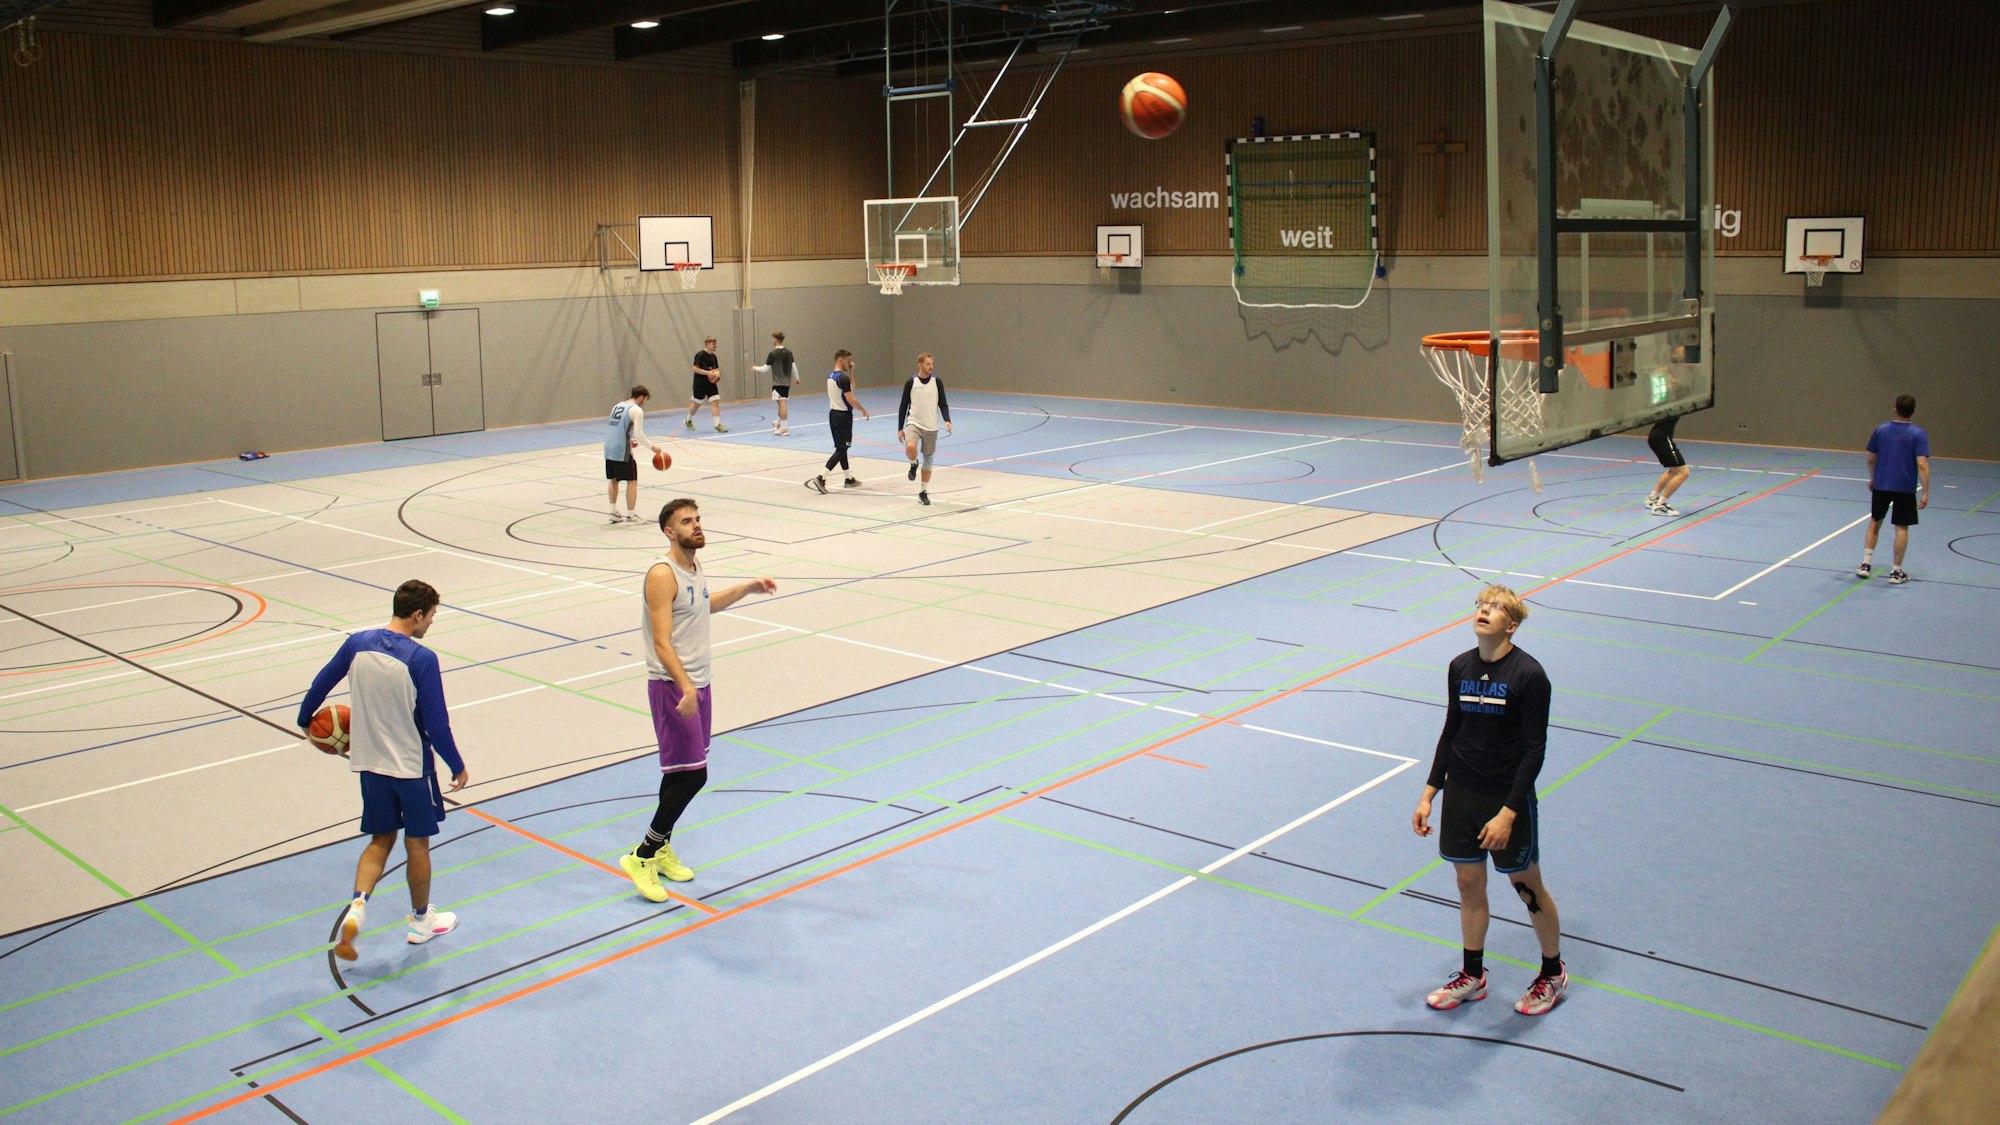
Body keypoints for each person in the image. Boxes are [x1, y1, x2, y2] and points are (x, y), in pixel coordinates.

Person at [1411, 584, 1566, 1016]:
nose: (1484, 610)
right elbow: (1450, 732)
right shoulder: (1459, 666)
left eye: (1495, 607)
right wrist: (1429, 792)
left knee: (1526, 886)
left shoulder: (1529, 675)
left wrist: (1508, 813)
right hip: (1462, 792)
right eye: (1481, 604)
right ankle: (1473, 975)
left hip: (1505, 798)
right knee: (1468, 882)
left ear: (1511, 625)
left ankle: (1553, 972)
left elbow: (1534, 750)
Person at [298, 579, 470, 960]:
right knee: (417, 844)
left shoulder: (357, 644)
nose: (432, 622)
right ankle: (421, 921)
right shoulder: (422, 659)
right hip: (410, 766)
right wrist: (457, 765)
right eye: (432, 616)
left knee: (380, 840)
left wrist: (305, 720)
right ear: (417, 614)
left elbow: (321, 683)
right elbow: (436, 724)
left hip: (370, 765)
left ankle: (358, 906)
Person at [618, 499, 778, 901]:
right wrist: (685, 686)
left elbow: (704, 606)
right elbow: (661, 641)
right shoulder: (662, 574)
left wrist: (746, 587)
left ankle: (661, 848)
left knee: (679, 773)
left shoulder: (693, 566)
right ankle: (643, 854)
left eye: (698, 519)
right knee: (694, 776)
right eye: (687, 521)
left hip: (699, 683)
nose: (697, 525)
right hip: (674, 686)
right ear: (669, 532)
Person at [1857, 394, 1931, 585]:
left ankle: (1865, 564)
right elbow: (1922, 464)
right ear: (1913, 411)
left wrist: (1873, 478)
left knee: (1875, 522)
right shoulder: (1919, 434)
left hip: (1882, 485)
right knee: (1901, 528)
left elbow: (1871, 459)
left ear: (1895, 409)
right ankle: (1896, 572)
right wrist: (1925, 491)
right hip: (1905, 488)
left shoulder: (1881, 430)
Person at [807, 349, 871, 494]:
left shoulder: (832, 376)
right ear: (841, 360)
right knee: (842, 448)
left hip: (833, 415)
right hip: (843, 416)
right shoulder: (842, 378)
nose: (850, 363)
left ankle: (848, 478)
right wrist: (863, 409)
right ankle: (822, 477)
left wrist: (852, 371)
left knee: (842, 447)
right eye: (848, 361)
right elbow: (851, 399)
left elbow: (851, 389)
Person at [897, 352, 953, 506]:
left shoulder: (937, 382)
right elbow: (903, 406)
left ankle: (923, 491)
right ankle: (914, 462)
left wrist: (947, 419)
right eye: (928, 364)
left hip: (931, 426)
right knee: (910, 447)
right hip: (914, 422)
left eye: (932, 364)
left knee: (928, 460)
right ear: (920, 364)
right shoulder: (911, 382)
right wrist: (900, 428)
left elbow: (943, 403)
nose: (931, 366)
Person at [604, 385, 663, 524]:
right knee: (632, 481)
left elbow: (617, 428)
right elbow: (639, 434)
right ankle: (631, 514)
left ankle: (613, 511)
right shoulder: (636, 410)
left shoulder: (617, 406)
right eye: (645, 399)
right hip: (621, 449)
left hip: (609, 447)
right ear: (641, 397)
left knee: (613, 479)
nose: (644, 403)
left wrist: (629, 440)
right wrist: (653, 448)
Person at [753, 330, 799, 436]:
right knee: (780, 403)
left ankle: (784, 428)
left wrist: (755, 368)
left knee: (782, 404)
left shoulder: (773, 353)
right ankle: (778, 422)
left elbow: (765, 369)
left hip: (778, 383)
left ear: (774, 339)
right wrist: (797, 378)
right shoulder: (789, 352)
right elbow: (794, 366)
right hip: (787, 383)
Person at [1643, 413, 1689, 517]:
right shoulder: (1674, 406)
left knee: (1673, 471)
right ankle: (1660, 505)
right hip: (1662, 439)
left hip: (1655, 437)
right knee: (1683, 473)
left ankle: (1652, 499)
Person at [684, 335, 727, 433]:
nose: (715, 345)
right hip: (700, 384)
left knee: (715, 401)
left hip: (711, 384)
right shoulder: (700, 355)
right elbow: (695, 369)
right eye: (713, 344)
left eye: (715, 344)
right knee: (696, 404)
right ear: (707, 344)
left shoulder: (714, 357)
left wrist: (717, 374)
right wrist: (708, 373)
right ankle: (688, 419)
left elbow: (716, 369)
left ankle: (717, 425)